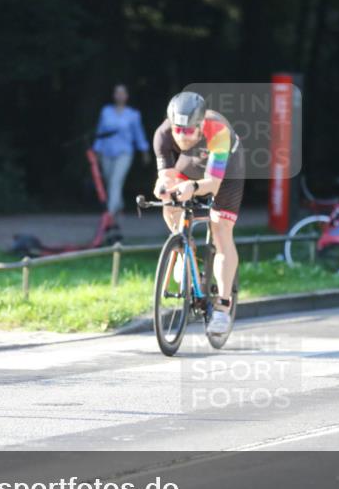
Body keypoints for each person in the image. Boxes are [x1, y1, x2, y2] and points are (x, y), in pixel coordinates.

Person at [153, 91, 244, 336]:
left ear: (200, 124)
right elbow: (167, 177)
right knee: (170, 201)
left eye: (188, 131)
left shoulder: (218, 131)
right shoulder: (162, 135)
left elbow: (213, 184)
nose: (181, 136)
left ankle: (223, 307)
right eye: (177, 130)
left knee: (220, 227)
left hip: (227, 170)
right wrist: (164, 188)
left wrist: (192, 187)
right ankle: (184, 250)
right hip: (192, 162)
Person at [93, 84, 150, 216]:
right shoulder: (106, 112)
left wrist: (144, 151)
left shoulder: (133, 115)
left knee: (115, 181)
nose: (119, 95)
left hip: (124, 153)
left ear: (126, 96)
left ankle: (110, 213)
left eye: (122, 93)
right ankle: (119, 205)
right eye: (117, 93)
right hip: (106, 152)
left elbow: (138, 134)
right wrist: (96, 150)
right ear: (114, 95)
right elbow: (100, 132)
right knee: (109, 181)